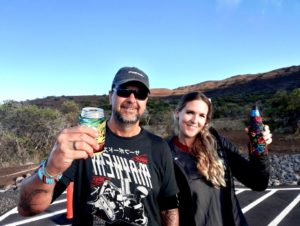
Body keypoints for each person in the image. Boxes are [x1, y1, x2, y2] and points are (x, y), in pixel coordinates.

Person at [18, 66, 179, 226]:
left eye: (140, 94)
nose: (131, 99)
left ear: (145, 101)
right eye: (123, 91)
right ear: (111, 96)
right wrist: (51, 168)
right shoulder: (84, 140)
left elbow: (169, 208)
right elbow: (27, 209)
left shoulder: (159, 147)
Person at [168, 91, 272, 226]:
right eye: (190, 112)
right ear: (177, 113)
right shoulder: (165, 153)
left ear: (206, 121)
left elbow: (258, 182)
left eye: (201, 115)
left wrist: (259, 151)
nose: (195, 120)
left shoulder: (219, 145)